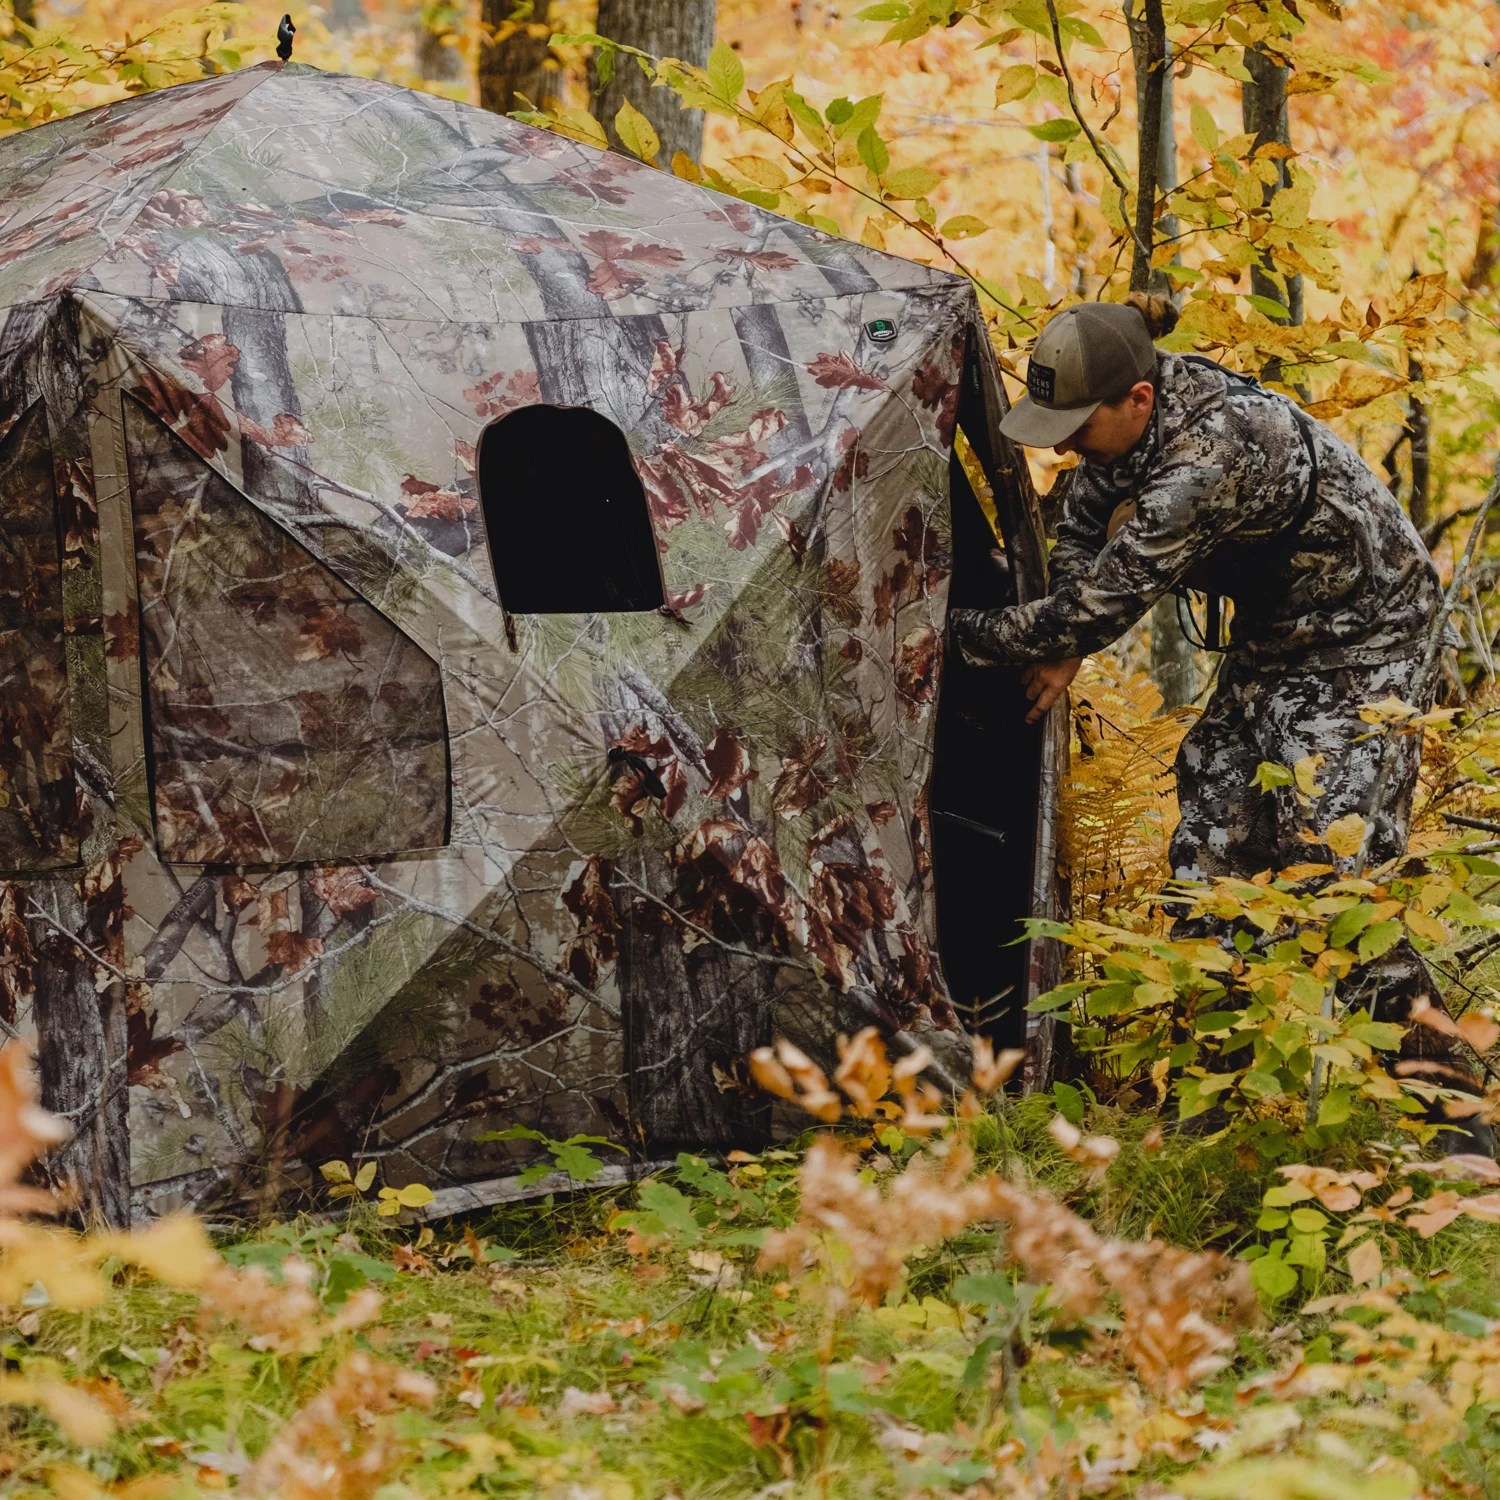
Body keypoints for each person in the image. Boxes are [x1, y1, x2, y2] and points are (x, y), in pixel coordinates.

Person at [949, 294, 1493, 1155]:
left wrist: (944, 634)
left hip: (1367, 637)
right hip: (1280, 637)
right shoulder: (1126, 437)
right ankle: (1211, 1119)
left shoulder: (1215, 452)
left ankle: (1461, 1123)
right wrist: (1071, 629)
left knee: (1331, 880)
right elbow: (1084, 536)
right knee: (1211, 854)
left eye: (1076, 425)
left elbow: (1091, 606)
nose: (1062, 445)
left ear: (1139, 399)